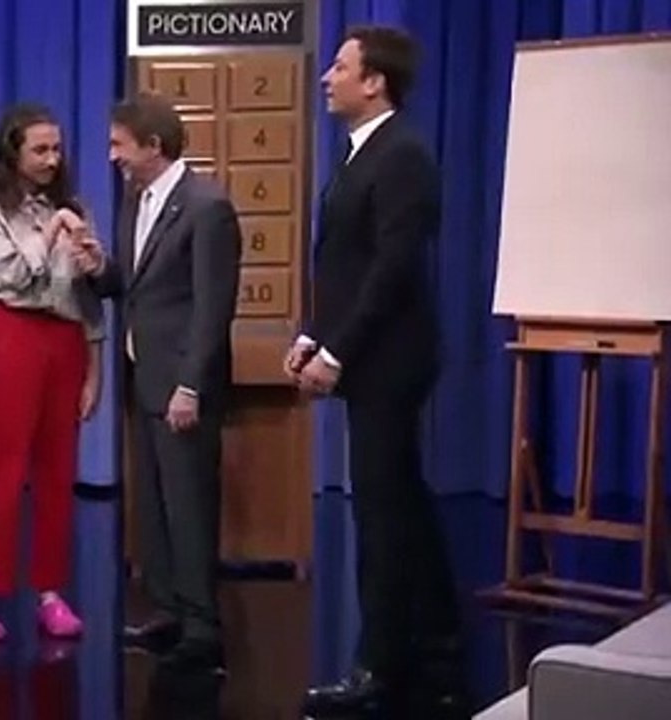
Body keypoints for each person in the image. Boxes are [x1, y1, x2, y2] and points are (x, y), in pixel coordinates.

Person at [289, 26, 468, 718]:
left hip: (391, 360)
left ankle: (378, 667)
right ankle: (439, 643)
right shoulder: (360, 153)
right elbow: (344, 263)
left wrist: (337, 353)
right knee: (402, 504)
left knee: (381, 515)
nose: (326, 77)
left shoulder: (403, 155)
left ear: (375, 82)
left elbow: (392, 270)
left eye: (340, 67)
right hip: (366, 353)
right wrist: (312, 334)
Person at [87, 92, 241, 671]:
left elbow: (212, 307)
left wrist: (191, 385)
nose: (112, 156)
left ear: (153, 145)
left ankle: (202, 626)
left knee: (189, 505)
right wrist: (98, 268)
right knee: (153, 505)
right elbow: (132, 285)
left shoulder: (208, 207)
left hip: (181, 385)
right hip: (143, 377)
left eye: (119, 145)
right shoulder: (136, 201)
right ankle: (168, 610)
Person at [0, 103, 106, 642]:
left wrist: (95, 369)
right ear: (12, 153)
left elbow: (88, 297)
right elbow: (13, 272)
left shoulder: (72, 208)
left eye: (56, 149)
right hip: (12, 333)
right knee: (6, 467)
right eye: (40, 150)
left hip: (65, 339)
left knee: (59, 470)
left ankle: (50, 591)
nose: (52, 160)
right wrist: (53, 230)